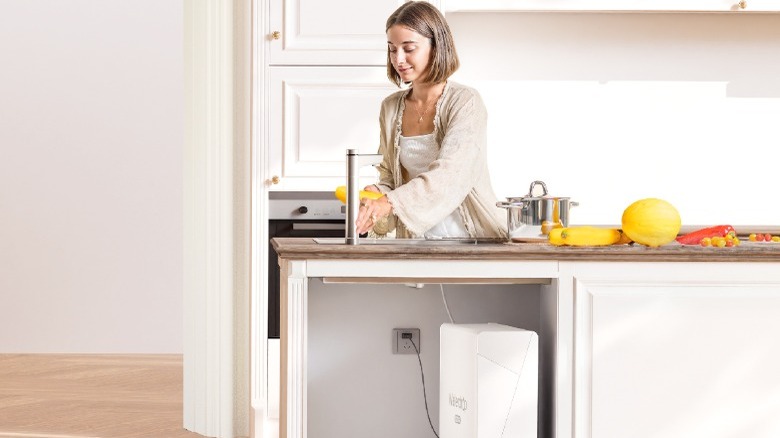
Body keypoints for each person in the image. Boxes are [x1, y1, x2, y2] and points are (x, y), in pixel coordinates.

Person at [355, 1, 507, 240]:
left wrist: (390, 201)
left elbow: (453, 172)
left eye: (409, 48)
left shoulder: (466, 102)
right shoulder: (391, 107)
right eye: (392, 49)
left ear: (436, 46)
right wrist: (378, 193)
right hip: (417, 242)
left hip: (471, 240)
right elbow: (389, 176)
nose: (399, 59)